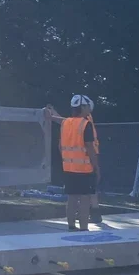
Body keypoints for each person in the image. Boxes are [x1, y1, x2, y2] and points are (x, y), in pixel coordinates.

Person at [46, 95, 100, 231]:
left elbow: (60, 146)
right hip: (85, 168)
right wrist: (96, 166)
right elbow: (89, 147)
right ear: (82, 107)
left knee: (71, 199)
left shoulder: (66, 123)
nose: (89, 110)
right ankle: (83, 228)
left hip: (69, 167)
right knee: (84, 199)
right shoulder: (85, 124)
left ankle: (71, 226)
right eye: (87, 107)